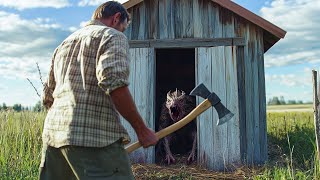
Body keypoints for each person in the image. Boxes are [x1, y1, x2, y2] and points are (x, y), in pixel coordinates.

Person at [39, 1, 158, 179]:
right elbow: (113, 81)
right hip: (95, 139)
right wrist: (142, 130)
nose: (122, 32)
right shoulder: (111, 36)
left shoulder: (64, 44)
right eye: (123, 28)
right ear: (116, 18)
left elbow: (48, 96)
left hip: (53, 139)